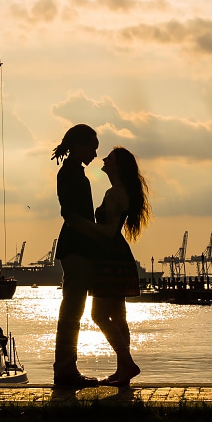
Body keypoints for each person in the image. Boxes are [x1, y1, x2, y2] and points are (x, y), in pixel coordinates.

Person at [90, 146, 150, 386]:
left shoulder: (114, 194)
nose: (104, 159)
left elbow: (109, 230)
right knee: (117, 316)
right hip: (117, 256)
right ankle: (122, 371)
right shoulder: (121, 192)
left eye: (110, 158)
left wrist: (81, 225)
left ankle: (128, 363)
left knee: (98, 315)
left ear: (118, 166)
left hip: (109, 258)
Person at [51, 123, 103, 388]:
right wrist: (96, 234)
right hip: (76, 246)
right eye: (92, 147)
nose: (95, 153)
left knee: (73, 308)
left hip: (77, 246)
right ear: (80, 145)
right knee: (72, 310)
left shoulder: (73, 172)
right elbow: (70, 215)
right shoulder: (71, 173)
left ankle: (66, 368)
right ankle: (65, 371)